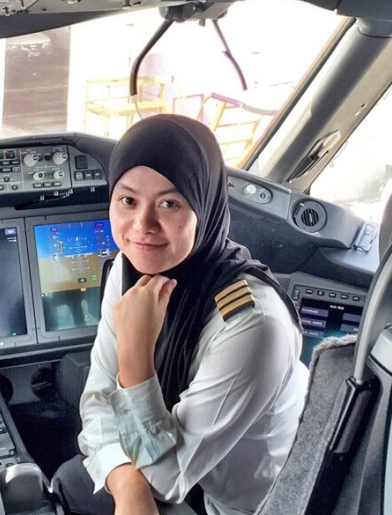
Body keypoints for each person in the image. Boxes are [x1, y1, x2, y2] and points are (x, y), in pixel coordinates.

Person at [51, 115, 307, 515]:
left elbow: (166, 478)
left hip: (241, 508)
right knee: (70, 479)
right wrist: (128, 487)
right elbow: (97, 402)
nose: (142, 225)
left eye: (170, 203)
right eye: (128, 200)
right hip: (179, 479)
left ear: (203, 206)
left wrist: (134, 357)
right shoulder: (130, 267)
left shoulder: (253, 325)